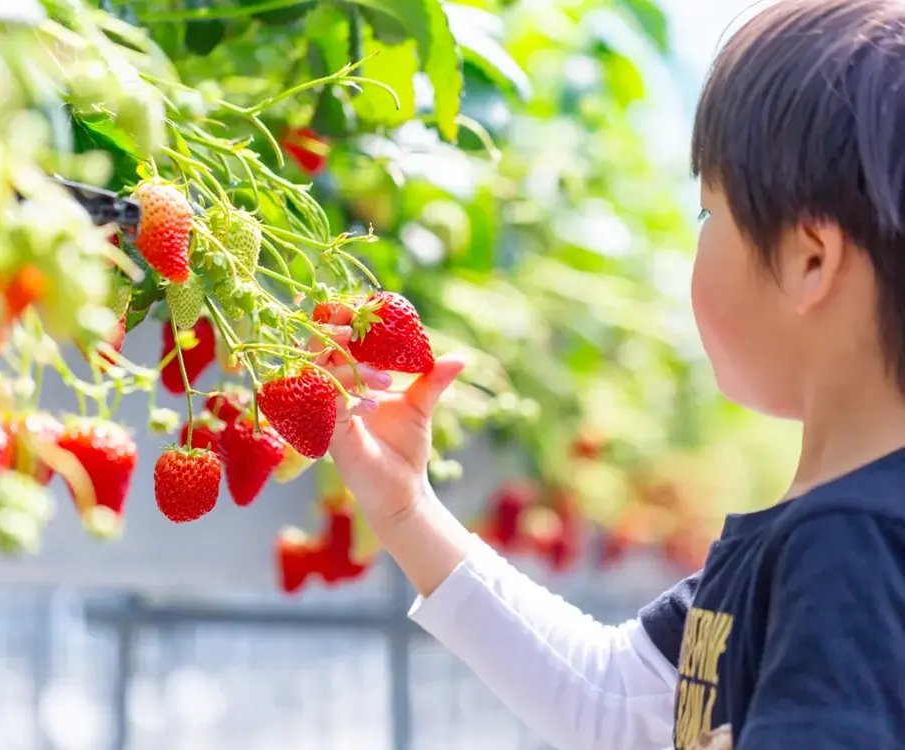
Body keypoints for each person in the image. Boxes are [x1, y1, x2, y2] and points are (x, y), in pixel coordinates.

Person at [313, 1, 905, 748]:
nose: (698, 241)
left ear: (809, 260)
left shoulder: (848, 548)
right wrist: (406, 508)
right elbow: (615, 698)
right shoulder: (824, 539)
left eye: (708, 215)